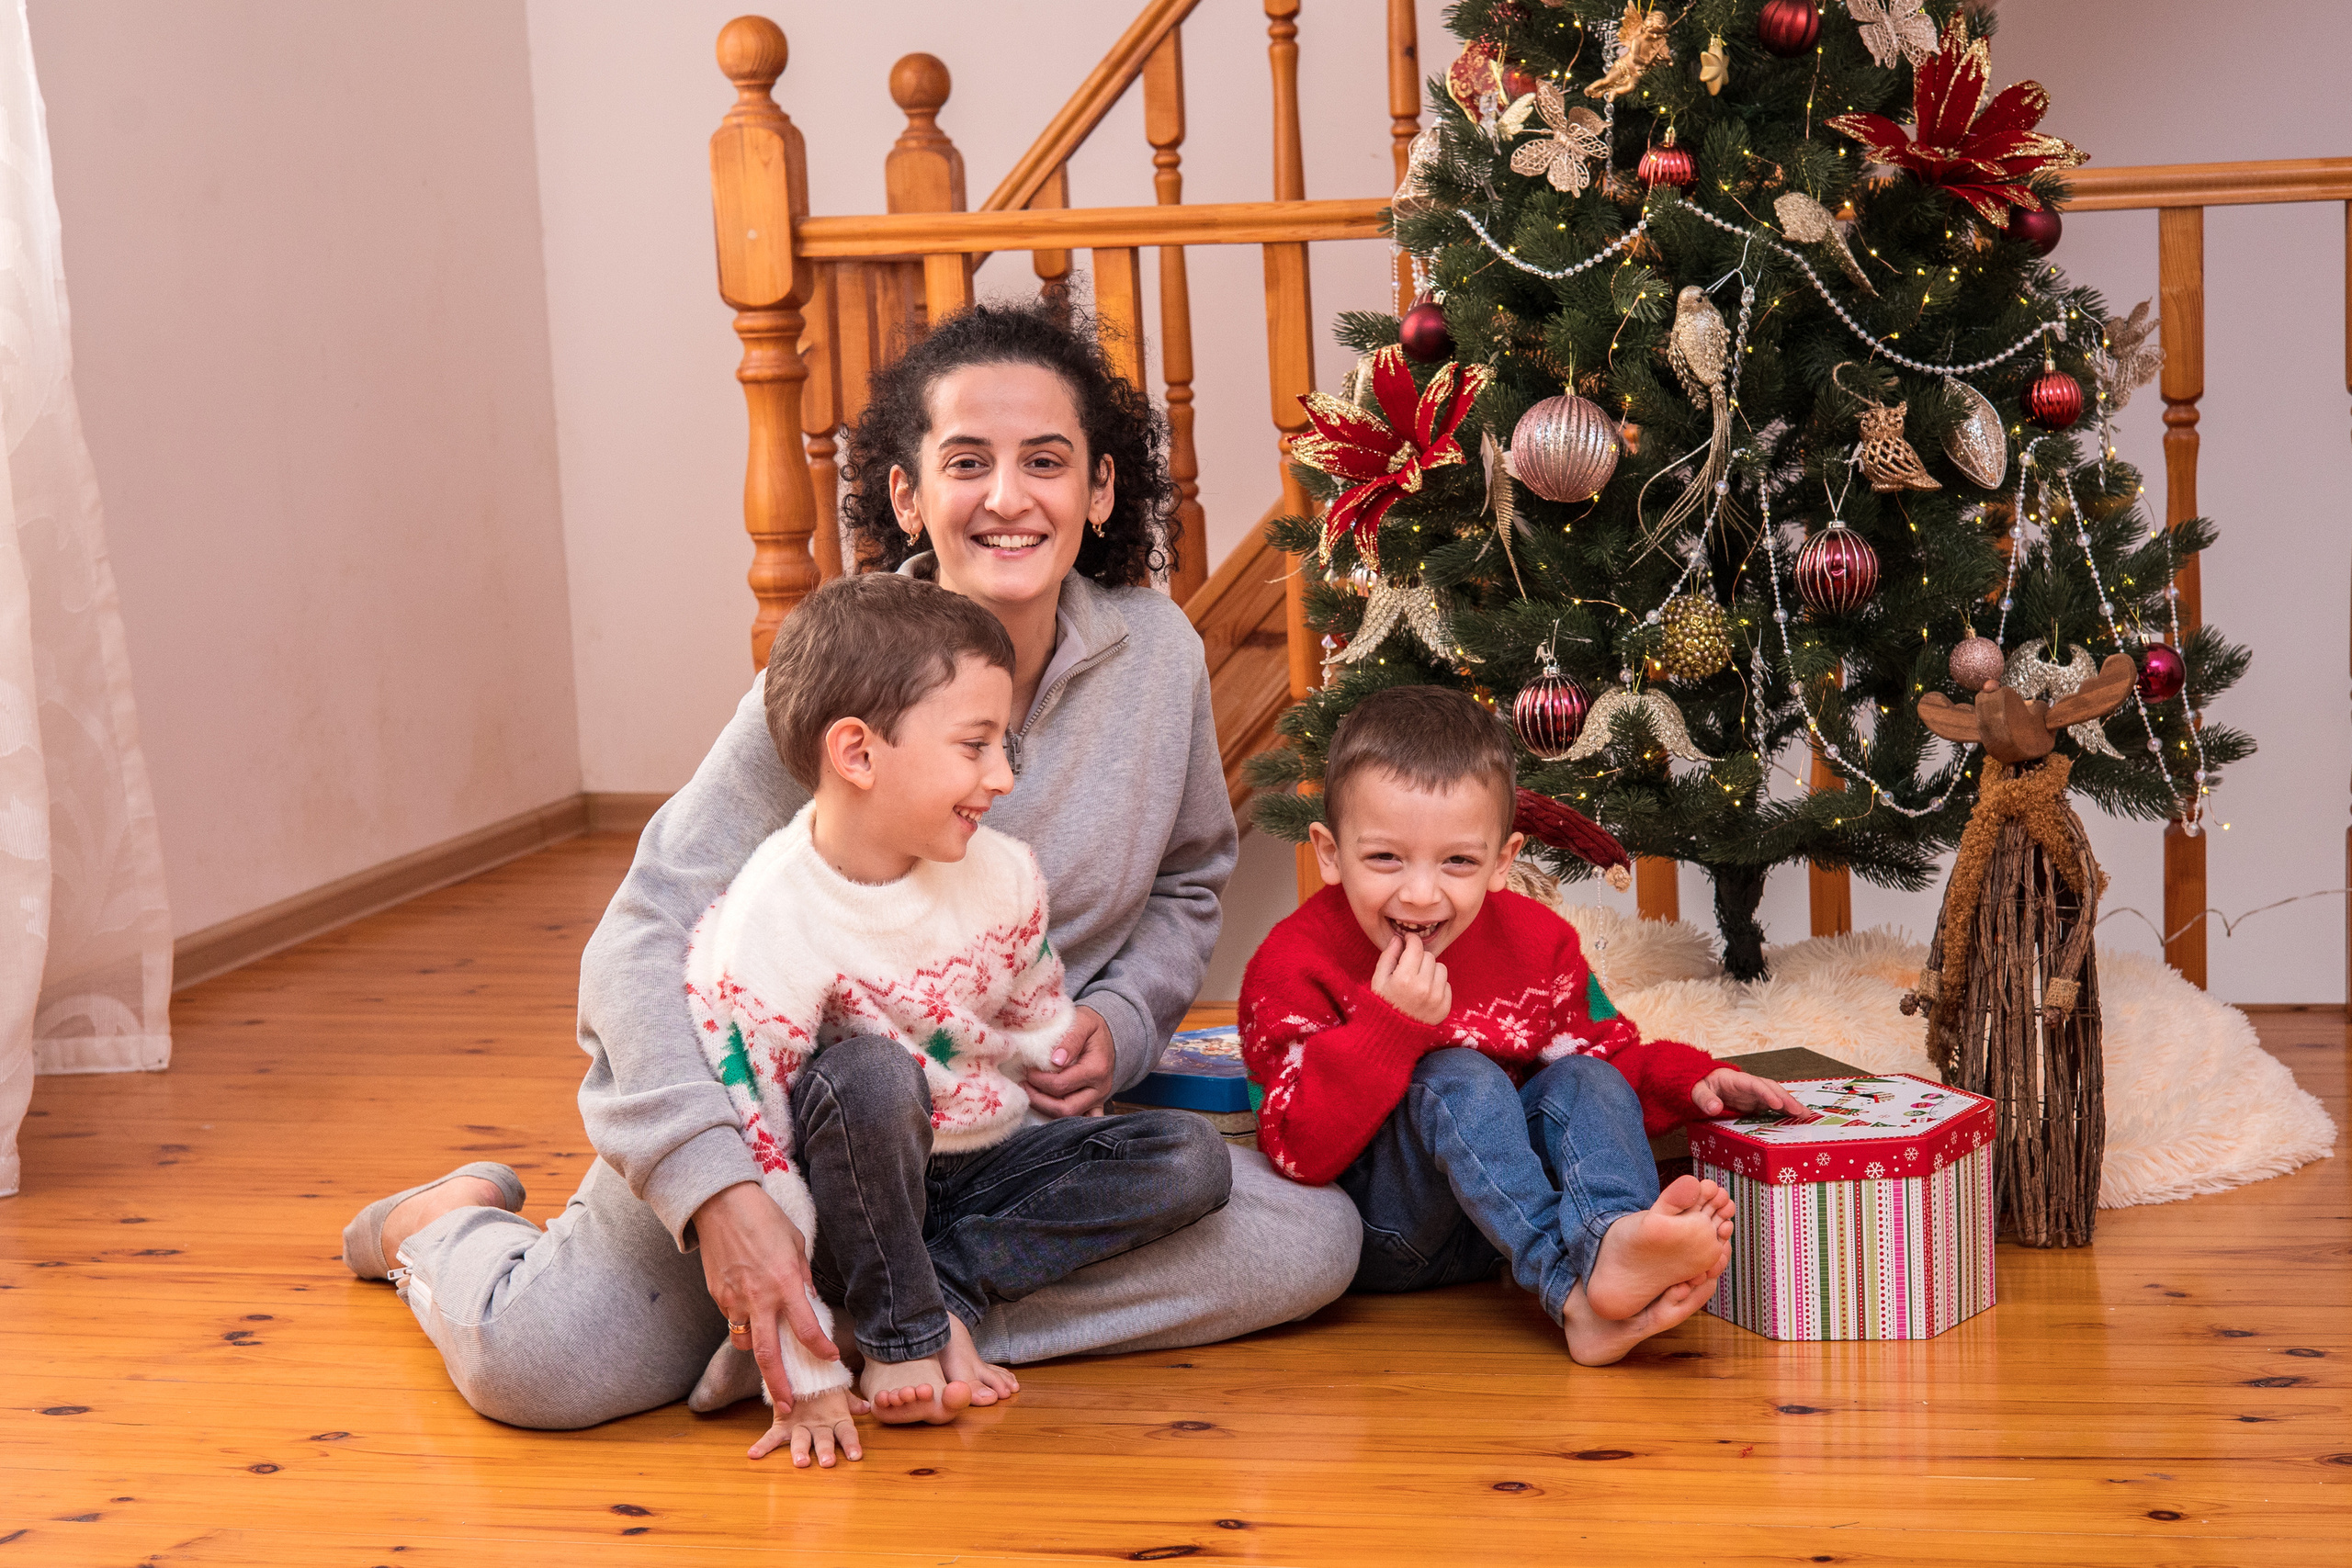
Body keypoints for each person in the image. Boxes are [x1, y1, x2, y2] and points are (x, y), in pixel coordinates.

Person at [339, 300, 1360, 1433]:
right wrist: (715, 1190)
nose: (1008, 496)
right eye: (966, 462)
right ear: (907, 495)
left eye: (1047, 462)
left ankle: (893, 1316)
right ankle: (446, 1224)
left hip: (1002, 1140)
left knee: (1313, 1244)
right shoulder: (840, 683)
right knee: (540, 1370)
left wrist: (1123, 1017)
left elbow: (1188, 876)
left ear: (1100, 492)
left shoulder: (1157, 653)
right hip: (788, 1127)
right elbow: (642, 934)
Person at [685, 572, 1230, 1465]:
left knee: (1184, 1155)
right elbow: (765, 1147)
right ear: (859, 756)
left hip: (955, 1168)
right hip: (825, 1183)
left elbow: (1014, 1016)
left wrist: (1065, 1054)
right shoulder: (769, 923)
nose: (1004, 779)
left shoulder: (991, 872)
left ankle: (928, 1295)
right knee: (868, 1073)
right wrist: (802, 1369)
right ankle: (897, 1337)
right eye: (975, 747)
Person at [1238, 686, 1802, 1365]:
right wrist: (1389, 1026)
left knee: (1584, 1077)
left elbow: (1611, 1060)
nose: (1421, 893)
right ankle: (1573, 1296)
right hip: (1383, 1232)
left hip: (1495, 1230)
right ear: (1330, 853)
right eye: (1385, 857)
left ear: (1502, 862)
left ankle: (1612, 1237)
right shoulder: (1292, 962)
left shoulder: (1540, 944)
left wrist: (1697, 1079)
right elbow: (1297, 1149)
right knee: (1460, 1076)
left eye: (1458, 861)